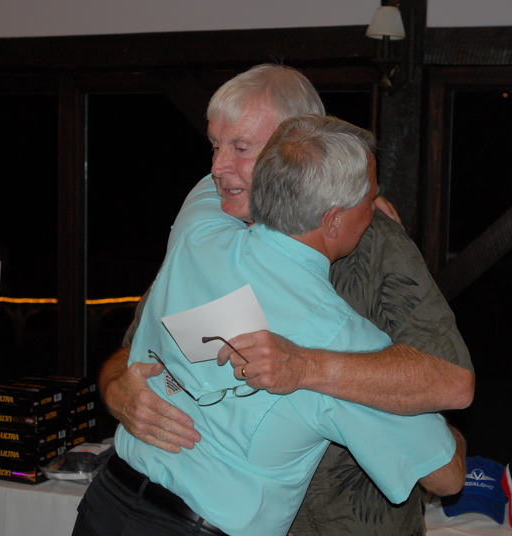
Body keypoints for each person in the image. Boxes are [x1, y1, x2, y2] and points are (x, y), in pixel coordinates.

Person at [100, 64, 474, 535]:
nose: (217, 168)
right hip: (149, 506)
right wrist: (116, 388)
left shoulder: (375, 247)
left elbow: (449, 380)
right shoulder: (207, 224)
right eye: (215, 145)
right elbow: (148, 346)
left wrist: (308, 367)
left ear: (292, 151)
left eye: (241, 147)